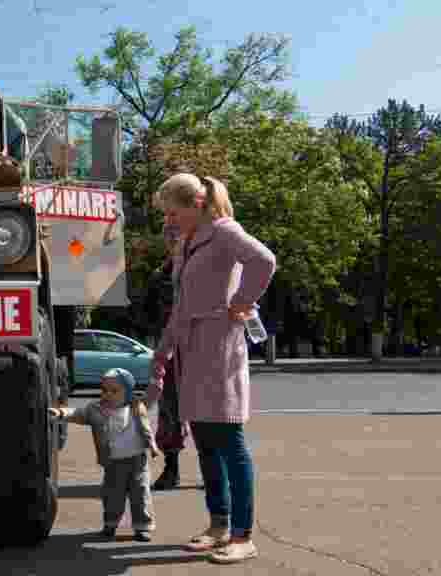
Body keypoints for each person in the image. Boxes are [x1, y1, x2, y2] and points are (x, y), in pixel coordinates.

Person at [148, 174, 276, 564]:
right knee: (204, 441)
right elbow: (182, 304)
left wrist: (241, 302)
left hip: (218, 345)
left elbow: (264, 260)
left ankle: (243, 534)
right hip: (191, 347)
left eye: (173, 212)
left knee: (228, 439)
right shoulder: (188, 242)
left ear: (196, 204)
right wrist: (163, 351)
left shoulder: (224, 232)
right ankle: (218, 525)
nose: (169, 221)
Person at [49, 367, 161, 541]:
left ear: (128, 391)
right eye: (104, 390)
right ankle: (110, 524)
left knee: (140, 494)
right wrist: (61, 413)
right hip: (113, 462)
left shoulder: (137, 406)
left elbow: (153, 395)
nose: (108, 394)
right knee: (112, 495)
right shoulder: (96, 409)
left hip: (138, 460)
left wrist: (157, 379)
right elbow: (78, 413)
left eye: (114, 391)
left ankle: (142, 526)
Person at [143, 223, 191, 490]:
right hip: (170, 352)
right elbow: (147, 315)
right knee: (170, 411)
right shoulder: (159, 276)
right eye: (170, 236)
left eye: (179, 234)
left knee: (208, 412)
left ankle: (215, 472)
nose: (174, 240)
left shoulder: (202, 270)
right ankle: (171, 469)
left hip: (200, 350)